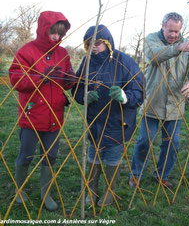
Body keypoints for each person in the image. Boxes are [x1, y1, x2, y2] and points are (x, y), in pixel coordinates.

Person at [9, 11, 75, 211]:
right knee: (26, 154)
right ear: (44, 30)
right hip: (32, 115)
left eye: (60, 34)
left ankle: (46, 193)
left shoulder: (62, 53)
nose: (57, 38)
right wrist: (41, 78)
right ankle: (19, 190)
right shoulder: (27, 51)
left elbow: (65, 81)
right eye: (53, 33)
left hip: (54, 116)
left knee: (50, 156)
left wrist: (71, 79)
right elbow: (16, 79)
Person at [72, 24, 143, 206]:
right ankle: (92, 190)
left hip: (117, 121)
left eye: (98, 42)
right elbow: (77, 89)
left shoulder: (123, 61)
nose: (94, 46)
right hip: (95, 121)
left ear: (108, 43)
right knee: (94, 155)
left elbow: (139, 89)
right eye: (90, 43)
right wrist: (85, 96)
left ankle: (109, 192)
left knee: (113, 155)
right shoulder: (87, 62)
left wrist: (124, 96)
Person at [129, 12, 189, 188]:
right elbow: (154, 56)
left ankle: (161, 175)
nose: (173, 35)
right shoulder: (151, 39)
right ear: (162, 26)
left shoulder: (187, 46)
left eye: (177, 32)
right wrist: (178, 47)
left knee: (172, 144)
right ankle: (136, 174)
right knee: (145, 142)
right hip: (153, 102)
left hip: (175, 105)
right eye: (170, 30)